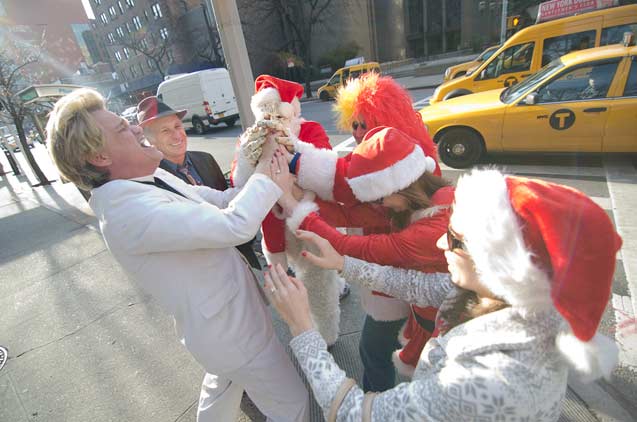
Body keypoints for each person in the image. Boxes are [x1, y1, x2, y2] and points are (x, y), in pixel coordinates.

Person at [267, 168, 621, 421]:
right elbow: (418, 286)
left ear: (500, 262)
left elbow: (352, 413)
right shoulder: (513, 300)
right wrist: (343, 263)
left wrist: (303, 329)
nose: (440, 242)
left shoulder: (485, 382)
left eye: (454, 239)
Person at [45, 88, 310, 422]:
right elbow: (235, 224)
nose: (138, 129)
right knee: (295, 407)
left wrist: (257, 158)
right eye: (123, 130)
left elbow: (225, 200)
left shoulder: (149, 178)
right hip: (235, 336)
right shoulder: (127, 213)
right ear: (100, 157)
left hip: (217, 331)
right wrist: (272, 170)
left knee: (221, 391)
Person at [287, 73, 441, 392]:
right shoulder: (407, 162)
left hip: (399, 282)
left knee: (374, 349)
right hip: (398, 280)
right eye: (353, 125)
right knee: (396, 350)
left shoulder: (399, 165)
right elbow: (353, 206)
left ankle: (378, 402)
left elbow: (345, 187)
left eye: (364, 123)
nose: (357, 132)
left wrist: (295, 167)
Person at [137, 95, 260, 269]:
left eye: (177, 126)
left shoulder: (205, 159)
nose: (176, 135)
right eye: (165, 131)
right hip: (207, 267)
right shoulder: (156, 181)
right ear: (150, 141)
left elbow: (229, 201)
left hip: (242, 255)